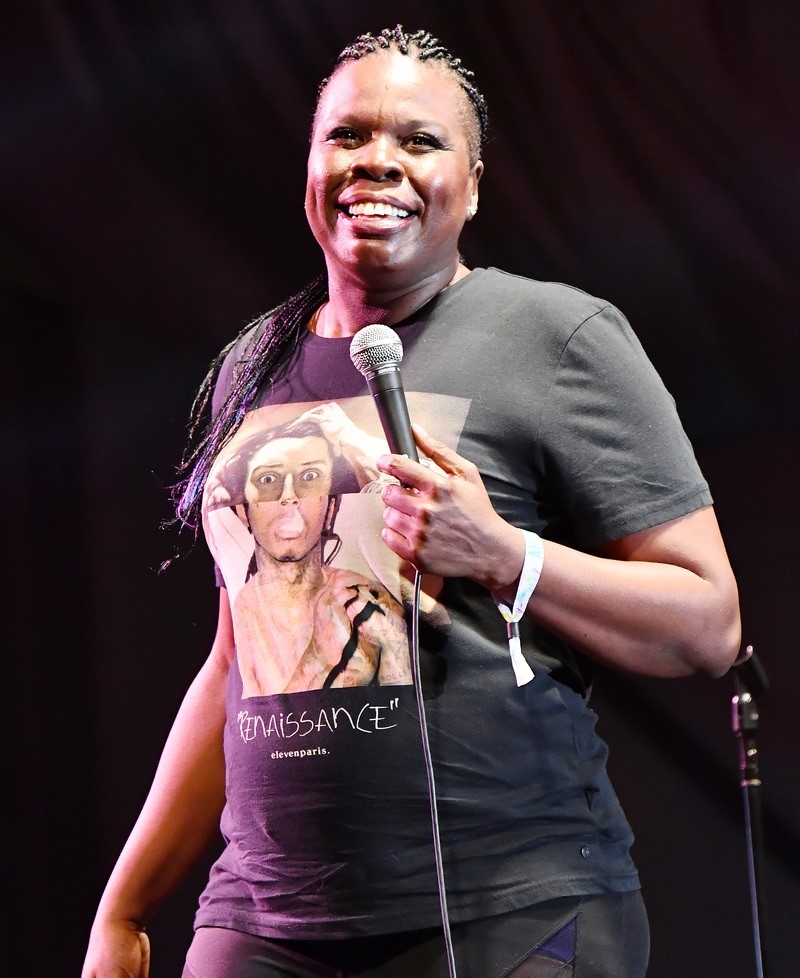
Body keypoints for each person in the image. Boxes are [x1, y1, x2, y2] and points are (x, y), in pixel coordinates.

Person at [81, 24, 741, 978]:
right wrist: (125, 908)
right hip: (263, 919)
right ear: (310, 166)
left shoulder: (556, 336)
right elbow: (236, 662)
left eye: (419, 141)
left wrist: (504, 552)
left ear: (470, 186)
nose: (377, 162)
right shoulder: (251, 366)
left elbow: (708, 623)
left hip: (510, 906)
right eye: (348, 136)